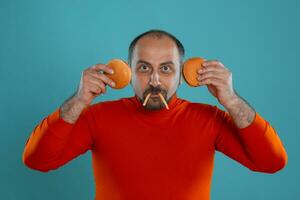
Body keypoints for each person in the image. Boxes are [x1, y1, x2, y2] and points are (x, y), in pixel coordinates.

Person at [22, 29, 288, 200]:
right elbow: (38, 161)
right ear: (126, 72)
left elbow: (271, 162)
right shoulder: (97, 117)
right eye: (144, 68)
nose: (155, 80)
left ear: (184, 75)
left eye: (166, 69)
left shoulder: (209, 119)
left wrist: (231, 100)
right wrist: (79, 100)